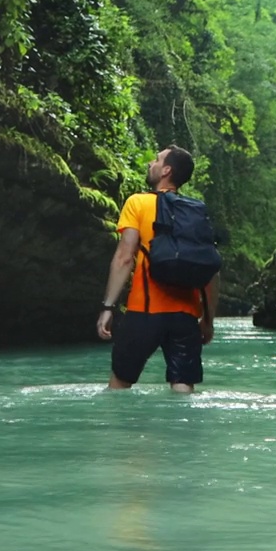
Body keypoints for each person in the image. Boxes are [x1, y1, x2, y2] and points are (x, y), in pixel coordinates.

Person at [96, 145, 219, 392]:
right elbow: (212, 271)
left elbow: (124, 257)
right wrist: (207, 320)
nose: (151, 163)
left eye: (156, 159)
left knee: (120, 383)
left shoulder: (138, 203)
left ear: (166, 170)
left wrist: (108, 307)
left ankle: (117, 431)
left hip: (145, 310)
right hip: (186, 315)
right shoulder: (195, 211)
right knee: (183, 386)